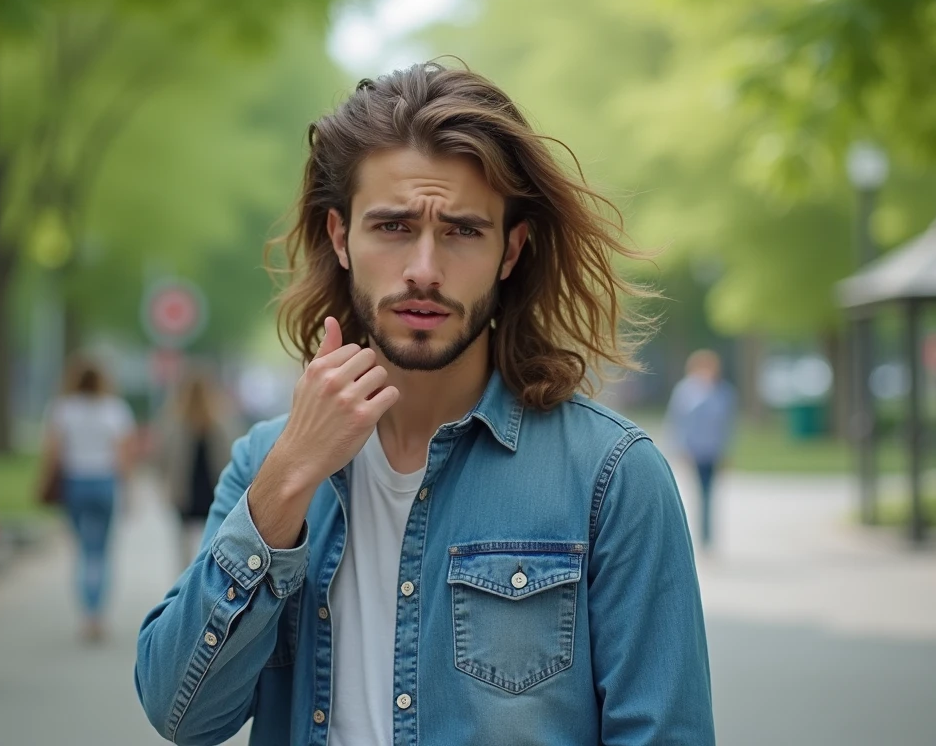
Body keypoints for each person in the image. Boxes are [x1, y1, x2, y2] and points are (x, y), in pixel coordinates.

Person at [136, 63, 714, 745]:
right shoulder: (267, 461)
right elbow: (181, 715)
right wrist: (287, 483)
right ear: (339, 237)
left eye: (464, 231)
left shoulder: (611, 477)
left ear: (511, 250)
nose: (425, 270)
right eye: (393, 226)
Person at [39, 357, 136, 642]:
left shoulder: (63, 409)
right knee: (102, 552)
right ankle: (98, 615)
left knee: (83, 551)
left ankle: (86, 612)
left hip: (75, 483)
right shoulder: (115, 410)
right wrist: (128, 491)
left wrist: (46, 482)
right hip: (105, 482)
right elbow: (123, 456)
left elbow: (53, 452)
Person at [154, 368, 243, 568]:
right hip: (214, 489)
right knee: (213, 539)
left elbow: (161, 459)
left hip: (185, 490)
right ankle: (206, 576)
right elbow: (235, 453)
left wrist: (164, 484)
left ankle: (186, 580)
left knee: (184, 543)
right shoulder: (222, 422)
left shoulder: (173, 422)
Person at [666, 349, 738, 551]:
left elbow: (728, 425)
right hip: (694, 450)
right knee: (698, 494)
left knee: (710, 495)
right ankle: (698, 537)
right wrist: (678, 448)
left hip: (714, 451)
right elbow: (677, 421)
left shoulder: (724, 392)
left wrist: (727, 451)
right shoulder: (685, 391)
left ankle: (708, 538)